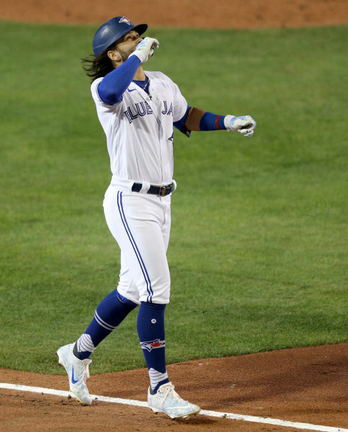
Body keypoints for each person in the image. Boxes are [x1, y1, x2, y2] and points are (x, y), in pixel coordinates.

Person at [56, 16, 256, 419]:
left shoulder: (162, 81)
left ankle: (77, 353)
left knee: (132, 289)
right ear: (113, 53)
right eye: (128, 40)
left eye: (138, 36)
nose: (138, 41)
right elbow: (113, 88)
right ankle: (159, 389)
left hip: (163, 203)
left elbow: (185, 116)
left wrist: (226, 121)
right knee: (155, 290)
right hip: (130, 202)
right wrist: (135, 60)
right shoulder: (105, 87)